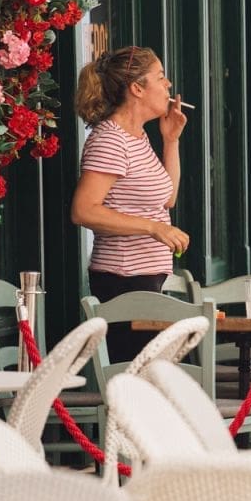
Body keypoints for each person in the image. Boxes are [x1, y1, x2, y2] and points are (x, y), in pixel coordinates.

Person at [71, 46, 189, 360]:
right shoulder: (111, 139)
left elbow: (167, 199)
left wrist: (171, 140)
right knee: (142, 377)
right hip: (123, 280)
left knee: (159, 375)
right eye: (160, 77)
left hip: (146, 279)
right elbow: (83, 210)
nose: (168, 85)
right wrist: (154, 228)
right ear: (137, 88)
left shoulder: (137, 136)